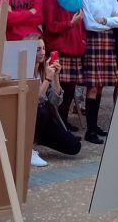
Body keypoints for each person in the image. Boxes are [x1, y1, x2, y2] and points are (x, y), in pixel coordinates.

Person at [80, 0, 118, 144]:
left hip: (107, 41)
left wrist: (106, 20)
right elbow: (89, 24)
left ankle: (94, 125)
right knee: (92, 86)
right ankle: (90, 130)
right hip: (94, 41)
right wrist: (109, 24)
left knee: (100, 87)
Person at [43, 0, 86, 131]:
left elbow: (80, 21)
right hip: (60, 47)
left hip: (75, 47)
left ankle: (65, 122)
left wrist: (82, 40)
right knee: (58, 90)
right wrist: (70, 23)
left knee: (70, 90)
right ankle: (58, 126)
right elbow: (50, 25)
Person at [31, 36, 81, 167]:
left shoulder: (44, 70)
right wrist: (48, 79)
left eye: (43, 48)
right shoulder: (24, 71)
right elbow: (34, 98)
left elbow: (56, 101)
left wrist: (56, 77)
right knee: (41, 111)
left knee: (75, 146)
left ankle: (39, 138)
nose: (42, 53)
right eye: (37, 49)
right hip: (30, 118)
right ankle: (28, 149)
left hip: (44, 121)